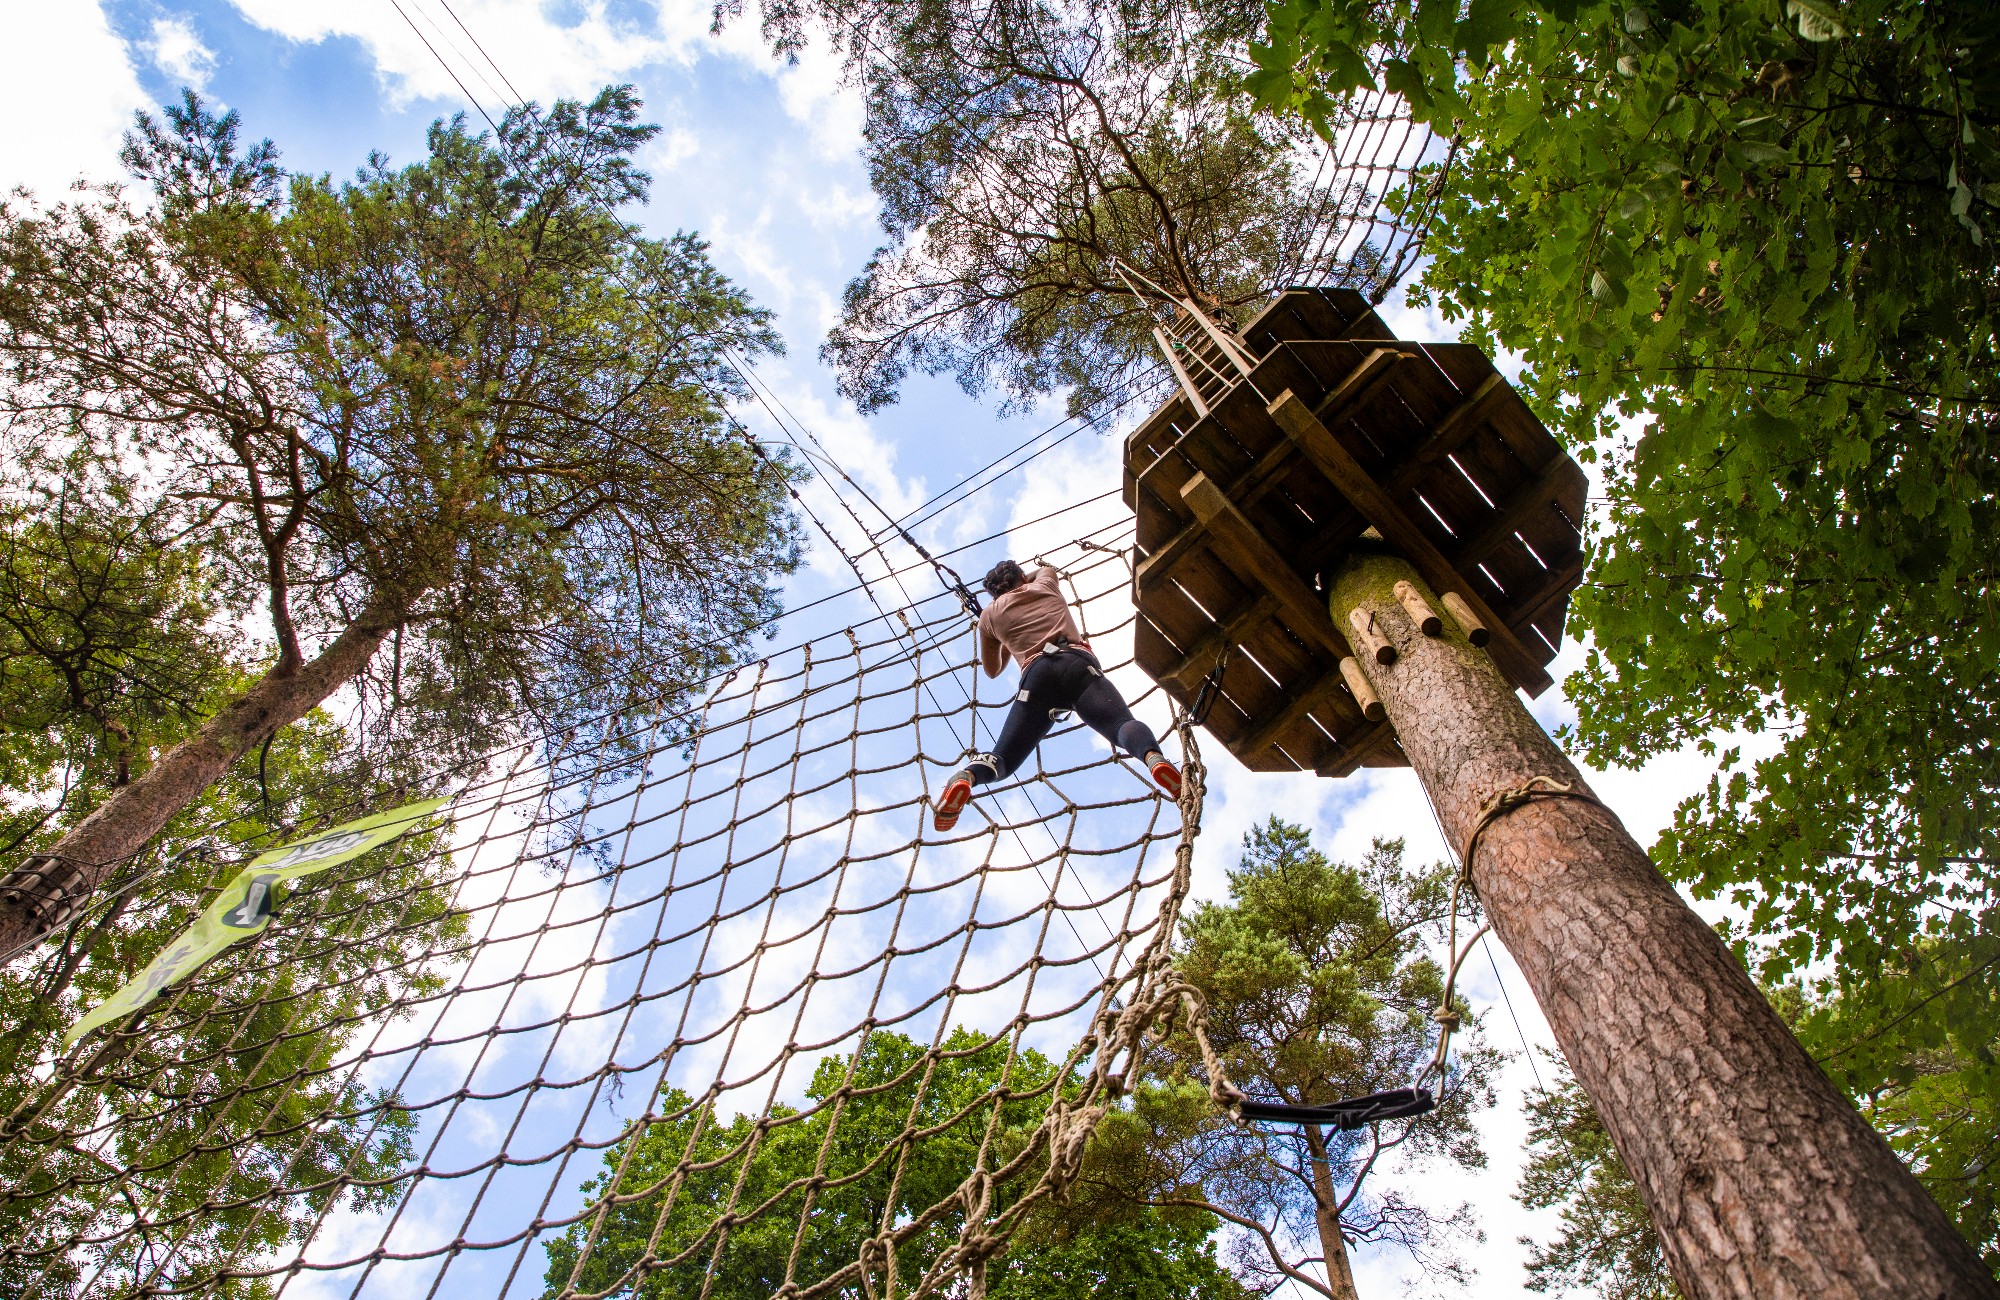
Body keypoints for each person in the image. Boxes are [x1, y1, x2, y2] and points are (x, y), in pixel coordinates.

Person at [933, 559, 1181, 832]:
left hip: (1036, 678)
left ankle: (966, 777)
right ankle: (1153, 759)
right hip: (1077, 664)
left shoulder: (989, 617)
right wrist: (1024, 579)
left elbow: (992, 670)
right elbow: (1044, 569)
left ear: (993, 592)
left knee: (1003, 759)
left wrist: (1004, 637)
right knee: (1120, 724)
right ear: (1021, 577)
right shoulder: (1045, 582)